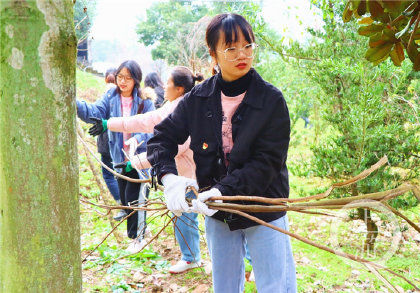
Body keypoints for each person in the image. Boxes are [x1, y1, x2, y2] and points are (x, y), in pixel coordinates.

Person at [146, 13, 297, 292]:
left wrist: (221, 190)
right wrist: (168, 178)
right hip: (216, 210)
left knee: (275, 285)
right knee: (225, 286)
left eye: (248, 45)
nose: (242, 54)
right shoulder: (198, 98)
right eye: (230, 48)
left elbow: (267, 163)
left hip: (262, 207)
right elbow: (162, 138)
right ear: (213, 54)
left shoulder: (271, 100)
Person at [88, 66, 204, 274]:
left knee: (192, 214)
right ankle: (192, 257)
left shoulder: (183, 110)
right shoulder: (173, 107)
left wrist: (136, 162)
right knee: (185, 213)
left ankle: (195, 258)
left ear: (178, 89)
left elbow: (172, 149)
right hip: (185, 175)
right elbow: (144, 121)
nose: (163, 87)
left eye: (167, 83)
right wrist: (109, 124)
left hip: (194, 175)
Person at [76, 60, 155, 253]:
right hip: (118, 157)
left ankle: (140, 237)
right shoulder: (111, 96)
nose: (123, 81)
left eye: (128, 78)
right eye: (120, 77)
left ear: (136, 80)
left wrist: (137, 139)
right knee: (126, 199)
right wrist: (74, 102)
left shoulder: (145, 101)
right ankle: (134, 237)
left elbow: (152, 128)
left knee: (136, 197)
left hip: (139, 157)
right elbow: (94, 112)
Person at [96, 68, 125, 221]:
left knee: (109, 174)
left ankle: (122, 205)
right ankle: (127, 205)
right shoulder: (123, 94)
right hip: (120, 140)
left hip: (107, 141)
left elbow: (97, 114)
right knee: (120, 174)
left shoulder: (106, 95)